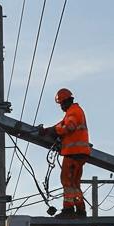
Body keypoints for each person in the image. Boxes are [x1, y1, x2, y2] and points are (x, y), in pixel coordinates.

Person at [40, 88, 91, 218]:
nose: (61, 107)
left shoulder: (73, 112)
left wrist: (54, 131)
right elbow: (62, 124)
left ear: (66, 101)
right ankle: (80, 210)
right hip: (80, 153)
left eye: (61, 104)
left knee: (67, 182)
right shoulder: (74, 111)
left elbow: (68, 126)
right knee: (74, 184)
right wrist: (50, 130)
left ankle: (68, 210)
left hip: (73, 153)